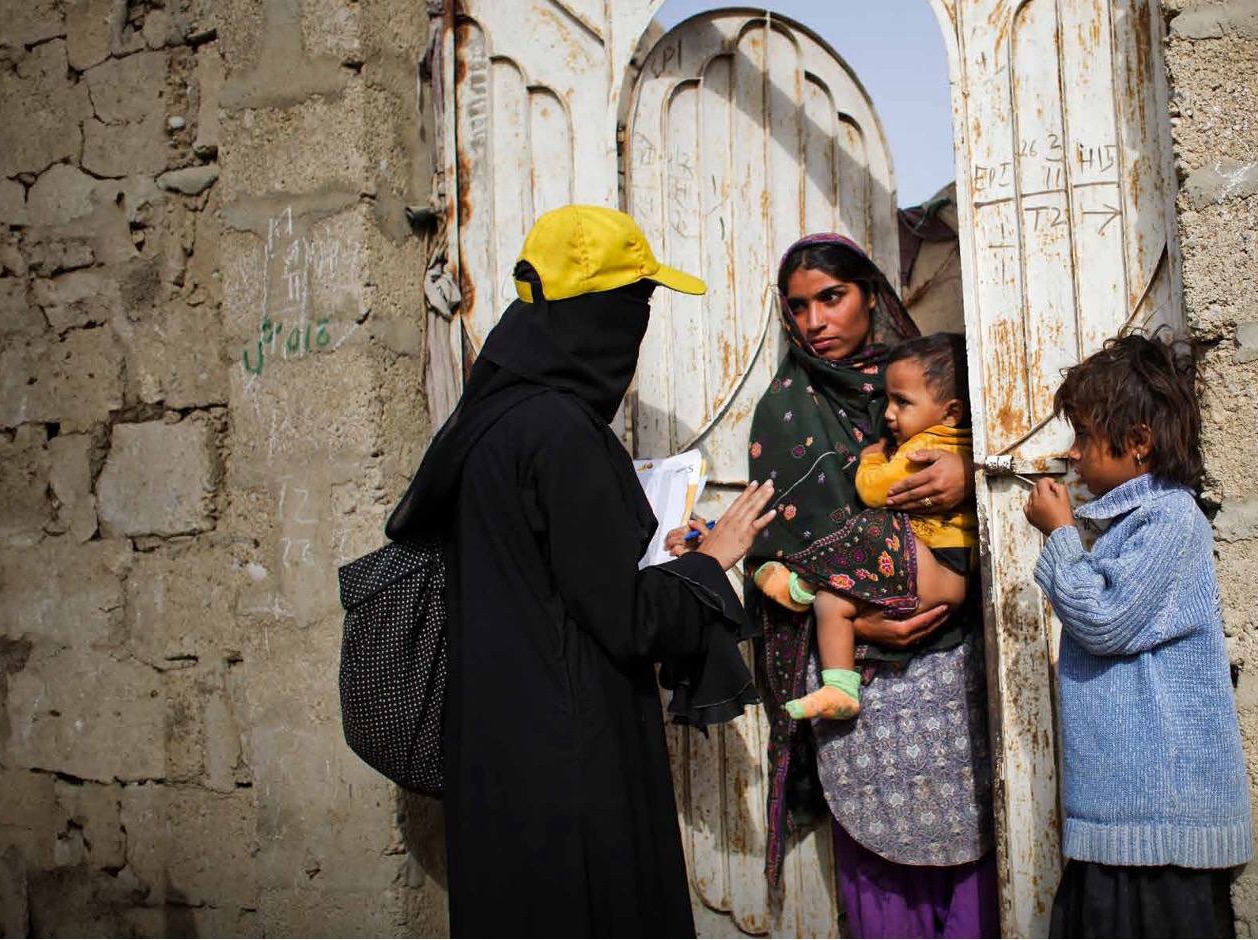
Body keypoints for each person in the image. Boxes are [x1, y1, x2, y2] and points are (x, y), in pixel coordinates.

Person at [388, 205, 776, 935]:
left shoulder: (490, 424)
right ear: (603, 317)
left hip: (501, 755)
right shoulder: (561, 433)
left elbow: (554, 583)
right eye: (639, 305)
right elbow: (629, 621)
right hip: (572, 765)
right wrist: (713, 559)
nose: (640, 326)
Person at [667, 233, 994, 937]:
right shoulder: (784, 410)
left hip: (948, 662)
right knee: (878, 866)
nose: (816, 320)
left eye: (832, 298)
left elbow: (1017, 471)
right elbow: (773, 559)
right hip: (856, 676)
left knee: (970, 840)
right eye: (799, 307)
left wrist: (973, 476)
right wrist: (860, 620)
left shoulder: (943, 383)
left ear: (870, 296)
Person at [1024, 334, 1252, 938]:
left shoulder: (1171, 520)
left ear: (1139, 443)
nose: (1072, 455)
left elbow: (1103, 620)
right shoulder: (1134, 523)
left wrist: (1060, 535)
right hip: (1122, 822)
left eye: (1083, 436)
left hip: (1159, 831)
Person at [754, 333, 977, 720]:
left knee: (873, 527)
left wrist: (870, 461)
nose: (888, 414)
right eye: (887, 400)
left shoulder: (927, 447)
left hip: (939, 571)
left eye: (902, 403)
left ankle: (804, 584)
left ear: (951, 411)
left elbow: (874, 491)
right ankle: (840, 687)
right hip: (938, 576)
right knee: (834, 602)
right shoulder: (964, 442)